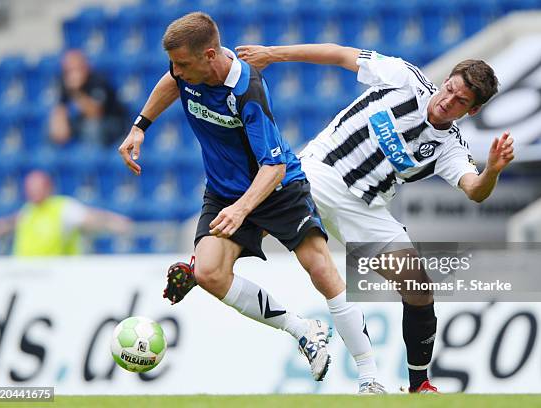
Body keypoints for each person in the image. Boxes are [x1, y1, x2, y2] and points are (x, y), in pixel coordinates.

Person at [118, 12, 385, 393]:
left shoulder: (247, 90)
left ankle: (370, 377)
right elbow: (171, 82)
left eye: (182, 64)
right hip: (225, 191)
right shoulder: (186, 69)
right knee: (208, 273)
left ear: (210, 55)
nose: (175, 71)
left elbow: (273, 165)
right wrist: (139, 126)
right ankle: (303, 330)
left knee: (320, 269)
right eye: (173, 63)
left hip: (277, 187)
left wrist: (244, 209)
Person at [237, 43, 515, 393]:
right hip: (320, 170)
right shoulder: (403, 77)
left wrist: (491, 169)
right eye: (450, 89)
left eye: (460, 101)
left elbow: (475, 190)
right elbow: (338, 55)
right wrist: (272, 55)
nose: (448, 100)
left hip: (365, 208)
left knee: (418, 288)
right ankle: (200, 263)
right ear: (445, 80)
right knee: (256, 218)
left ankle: (419, 384)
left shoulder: (449, 147)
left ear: (471, 111)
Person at [0, 170, 132, 256]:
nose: (31, 192)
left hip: (55, 274)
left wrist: (114, 221)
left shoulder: (63, 207)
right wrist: (2, 226)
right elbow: (12, 222)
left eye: (35, 187)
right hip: (26, 274)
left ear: (48, 187)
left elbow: (91, 217)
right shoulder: (28, 210)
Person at [48, 49, 127, 148]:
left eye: (75, 69)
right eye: (68, 70)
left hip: (112, 123)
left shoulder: (98, 81)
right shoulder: (64, 82)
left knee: (91, 126)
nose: (72, 74)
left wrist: (76, 92)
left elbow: (95, 113)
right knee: (51, 126)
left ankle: (94, 158)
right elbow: (61, 108)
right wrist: (59, 122)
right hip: (84, 121)